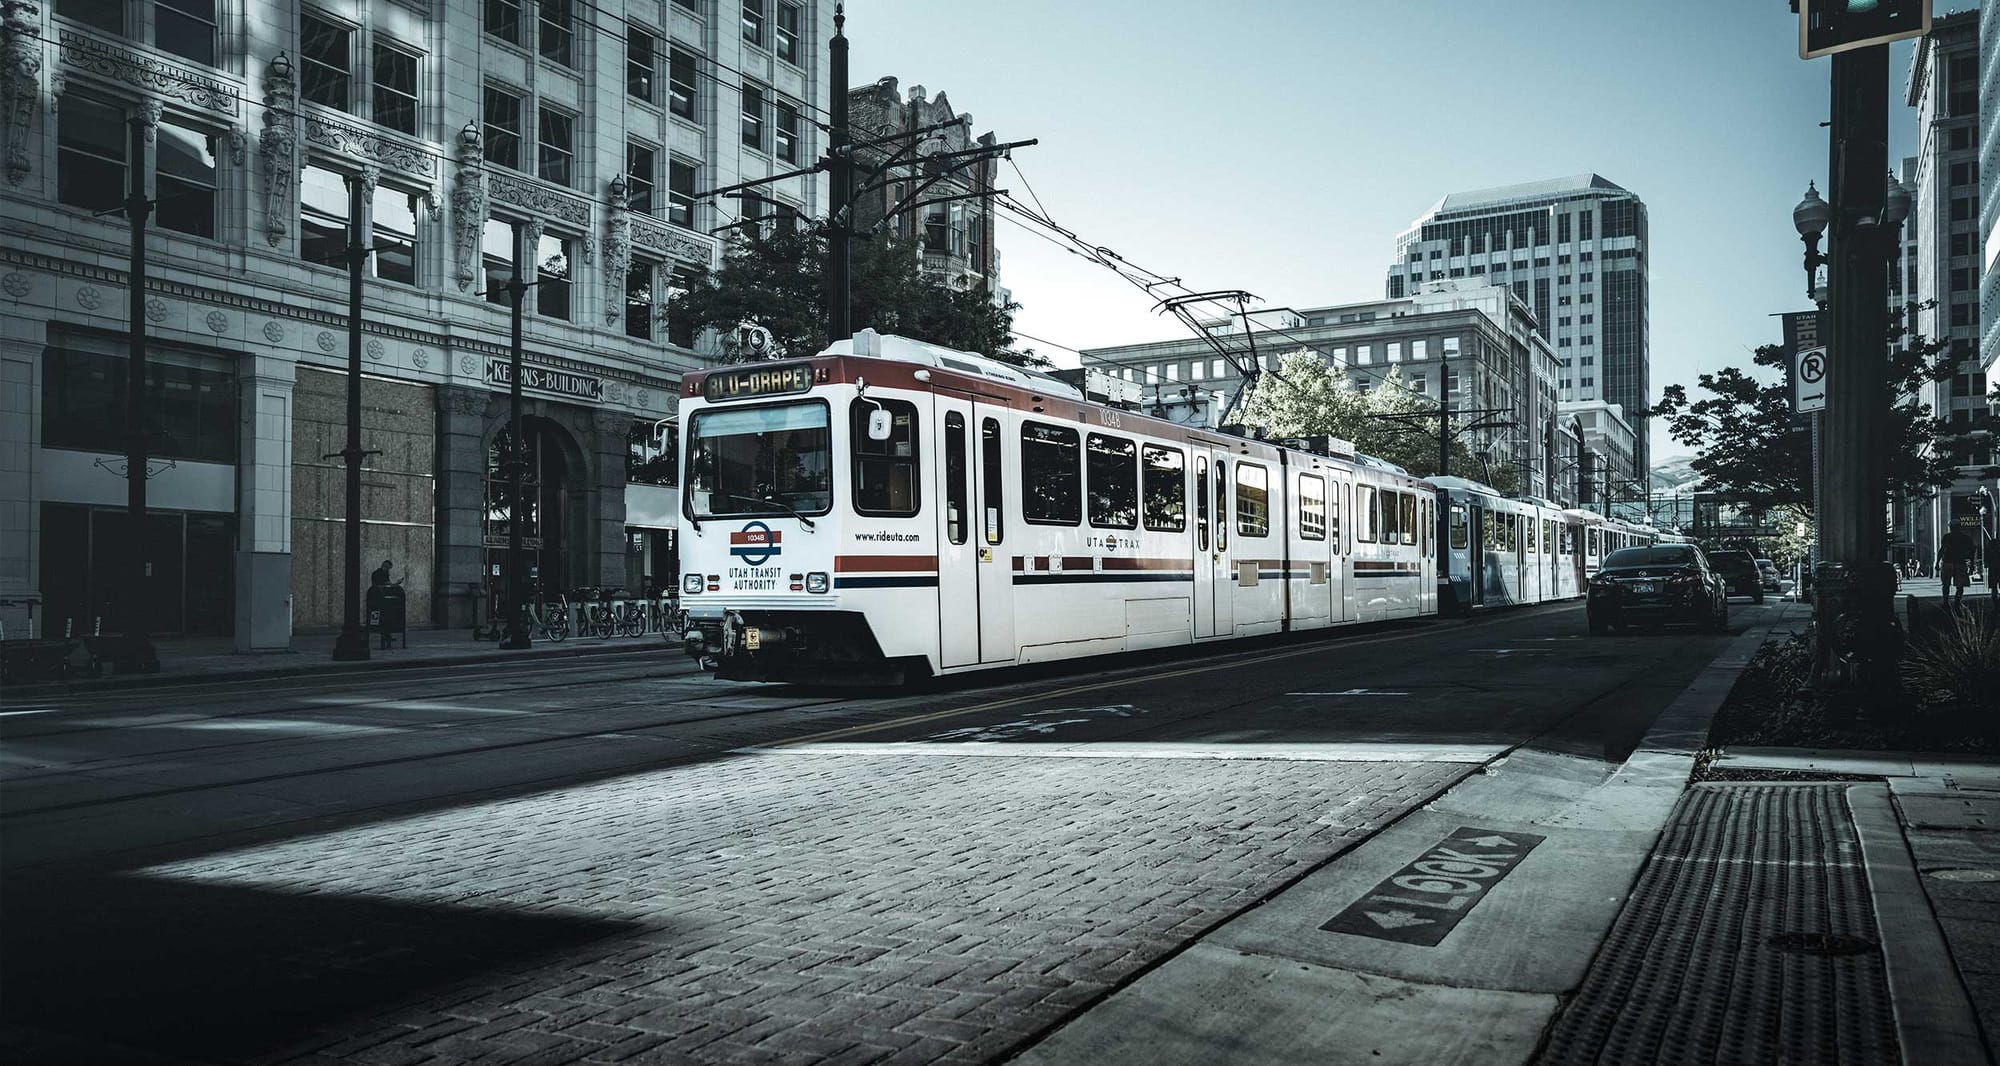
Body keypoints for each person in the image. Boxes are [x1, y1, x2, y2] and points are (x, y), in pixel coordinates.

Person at [1940, 528, 1976, 609]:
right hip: (1960, 563)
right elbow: (1972, 551)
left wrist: (1937, 562)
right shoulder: (1966, 538)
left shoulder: (1947, 537)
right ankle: (1957, 601)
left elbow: (1942, 550)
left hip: (1947, 562)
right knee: (1960, 586)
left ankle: (1946, 601)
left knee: (1946, 584)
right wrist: (1972, 564)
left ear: (1951, 527)